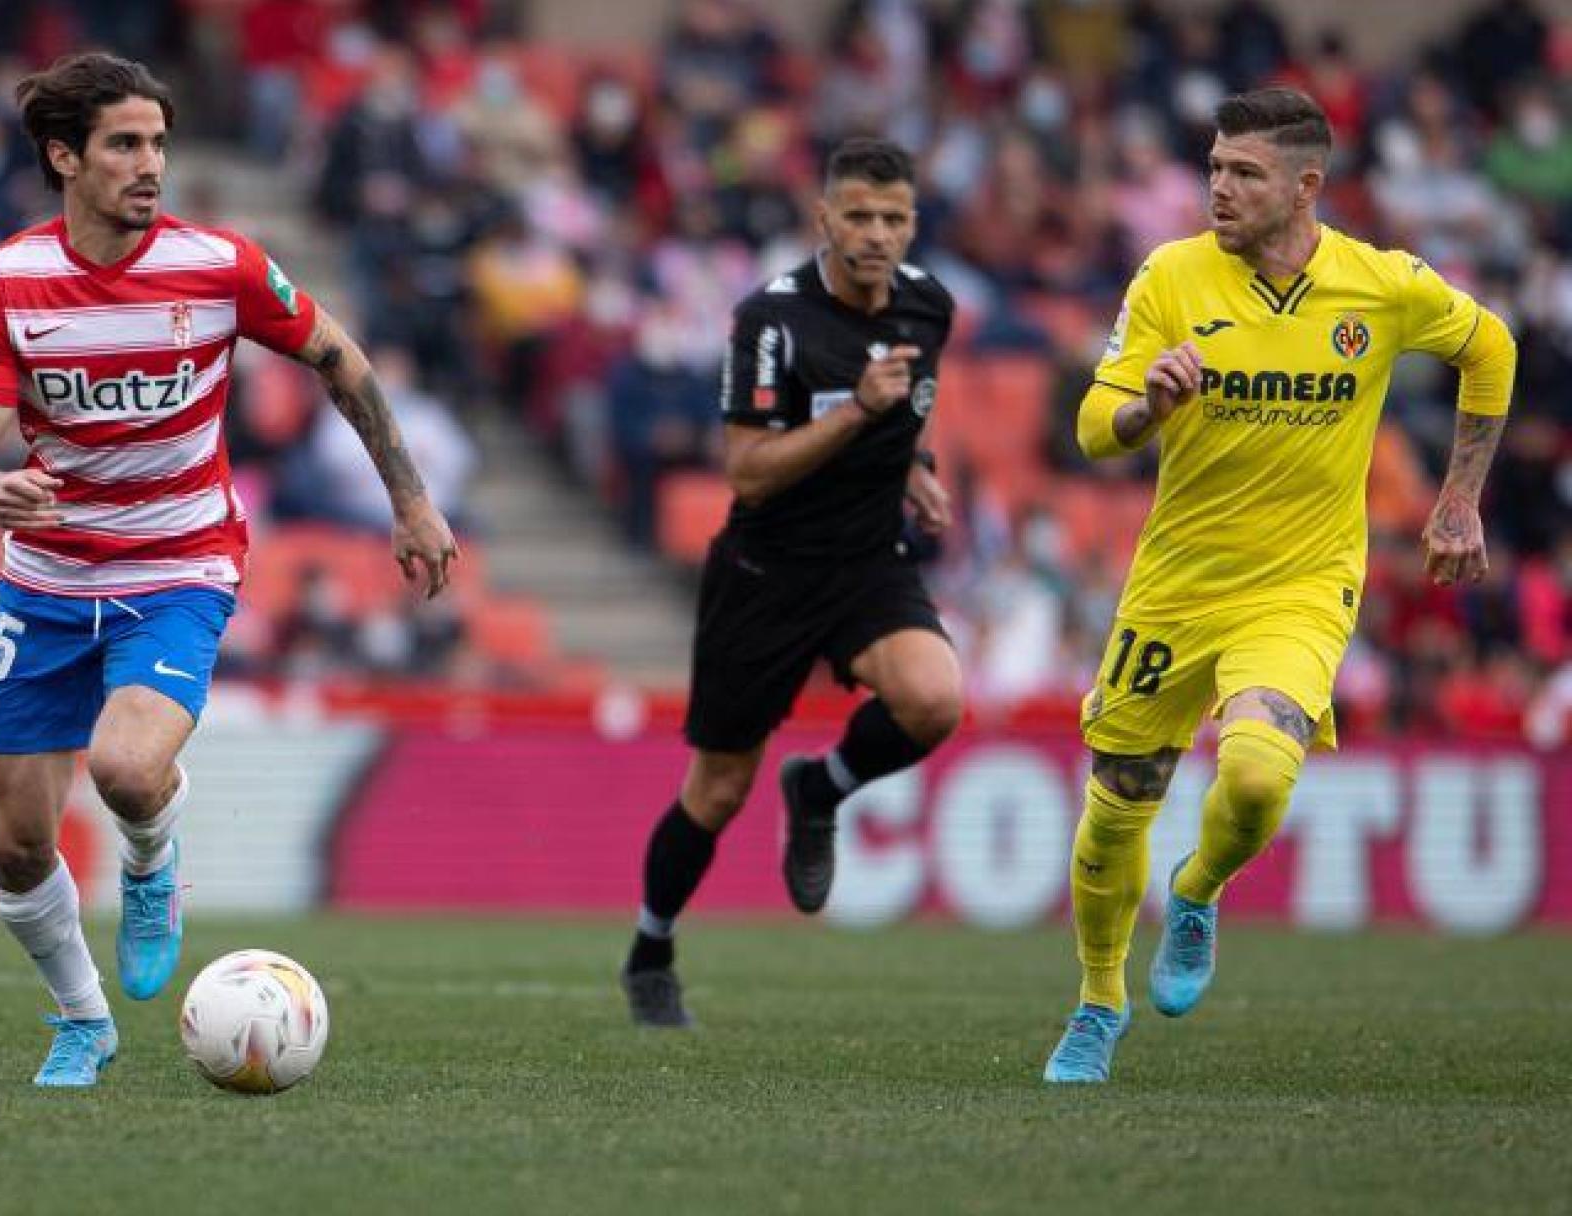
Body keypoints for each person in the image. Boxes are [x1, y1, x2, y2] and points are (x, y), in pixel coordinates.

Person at [0, 52, 457, 1087]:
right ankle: (82, 1021)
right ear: (64, 156)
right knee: (18, 843)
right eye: (124, 144)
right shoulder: (8, 281)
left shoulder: (218, 265)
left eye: (158, 143)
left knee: (126, 769)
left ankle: (149, 859)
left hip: (179, 560)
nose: (149, 165)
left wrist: (409, 496)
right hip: (44, 579)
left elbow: (338, 358)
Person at [1043, 88, 1514, 1083]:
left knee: (1256, 777)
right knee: (1115, 808)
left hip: (1302, 582)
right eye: (1214, 166)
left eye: (1243, 172)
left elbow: (1492, 347)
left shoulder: (1378, 286)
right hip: (1176, 584)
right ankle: (1096, 1000)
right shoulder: (1171, 276)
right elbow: (1091, 426)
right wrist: (1146, 411)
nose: (1218, 187)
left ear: (1307, 185)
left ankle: (1200, 888)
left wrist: (1459, 499)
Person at [618, 137, 963, 1028]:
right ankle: (651, 949)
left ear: (913, 223)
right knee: (719, 789)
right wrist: (860, 411)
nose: (876, 233)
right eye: (858, 215)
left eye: (893, 218)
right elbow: (748, 473)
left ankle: (821, 789)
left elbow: (906, 413)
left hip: (865, 566)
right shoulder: (771, 321)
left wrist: (914, 464)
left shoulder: (931, 308)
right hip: (765, 573)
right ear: (823, 218)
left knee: (934, 700)